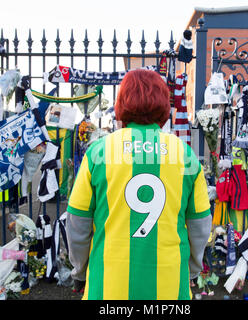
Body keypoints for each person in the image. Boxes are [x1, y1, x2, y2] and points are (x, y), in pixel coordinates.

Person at [66, 68, 212, 300]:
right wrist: (192, 270)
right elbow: (200, 225)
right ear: (163, 104)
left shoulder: (98, 152)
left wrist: (80, 271)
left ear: (121, 103)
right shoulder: (184, 154)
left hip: (108, 284)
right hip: (169, 284)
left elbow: (78, 223)